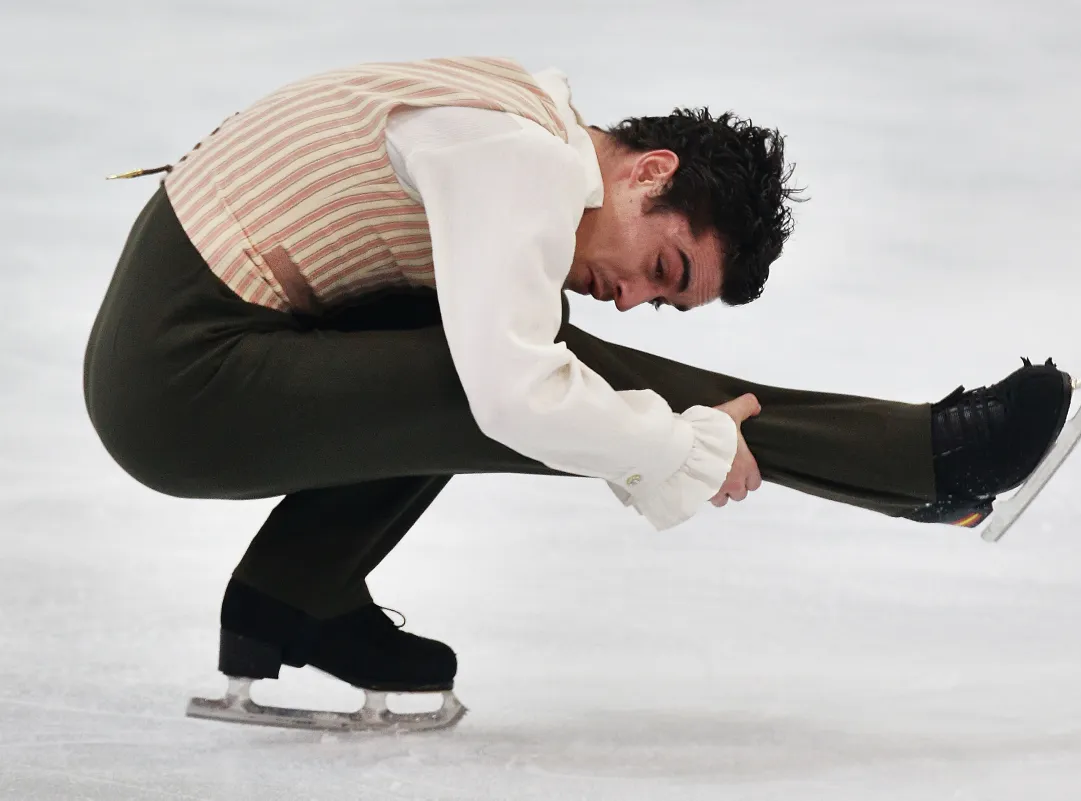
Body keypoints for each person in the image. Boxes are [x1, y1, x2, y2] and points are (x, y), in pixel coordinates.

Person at [83, 57, 1072, 724]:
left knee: (494, 339)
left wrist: (644, 440)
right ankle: (926, 462)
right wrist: (676, 446)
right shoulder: (510, 157)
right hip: (179, 382)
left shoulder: (517, 136)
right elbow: (512, 394)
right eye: (664, 267)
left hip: (202, 352)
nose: (635, 297)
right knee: (506, 362)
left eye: (663, 299)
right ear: (648, 172)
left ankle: (296, 597)